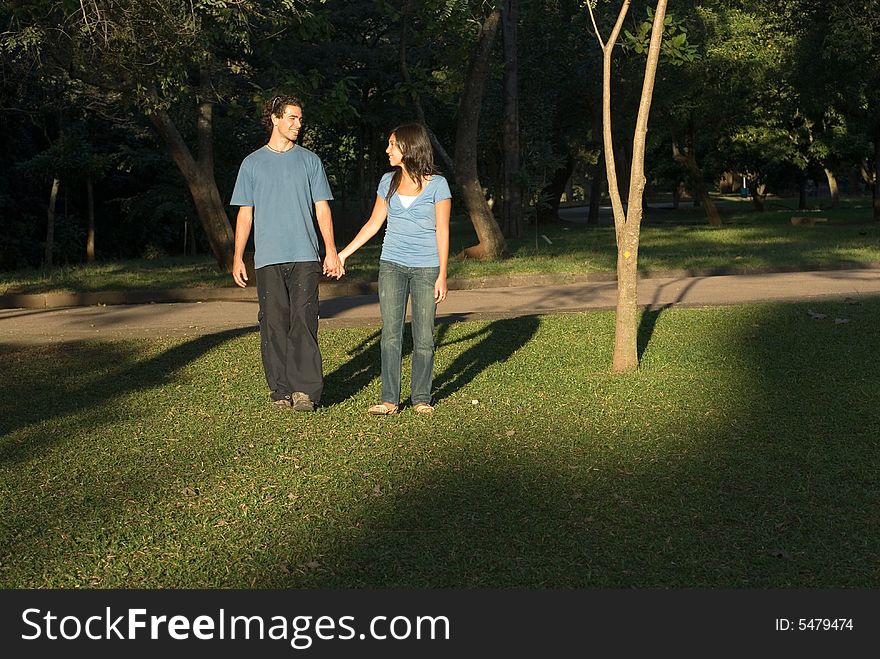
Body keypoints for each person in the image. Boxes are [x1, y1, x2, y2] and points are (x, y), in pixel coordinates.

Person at [230, 95, 342, 412]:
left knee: (304, 322)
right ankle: (280, 391)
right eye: (292, 118)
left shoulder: (310, 161)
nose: (298, 124)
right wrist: (239, 256)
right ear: (275, 119)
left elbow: (322, 209)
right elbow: (245, 215)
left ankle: (305, 391)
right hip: (267, 259)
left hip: (305, 255)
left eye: (300, 119)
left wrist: (330, 250)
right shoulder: (251, 164)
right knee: (273, 324)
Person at [338, 123, 451, 415]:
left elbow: (442, 231)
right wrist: (343, 254)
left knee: (424, 336)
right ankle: (390, 399)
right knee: (391, 333)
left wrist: (442, 274)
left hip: (427, 268)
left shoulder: (438, 185)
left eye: (392, 145)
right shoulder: (388, 181)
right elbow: (373, 224)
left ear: (409, 148)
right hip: (392, 266)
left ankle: (421, 398)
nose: (387, 150)